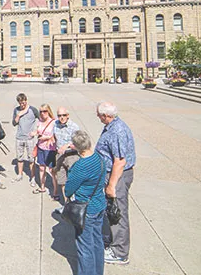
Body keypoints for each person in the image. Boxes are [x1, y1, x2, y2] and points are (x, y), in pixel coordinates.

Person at [95, 101, 136, 265]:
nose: (98, 117)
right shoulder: (113, 126)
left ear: (106, 115)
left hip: (117, 176)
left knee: (117, 212)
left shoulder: (117, 130)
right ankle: (112, 241)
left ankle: (119, 252)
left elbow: (119, 161)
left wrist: (111, 185)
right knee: (111, 211)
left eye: (99, 115)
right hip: (114, 174)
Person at [65, 130, 107, 275]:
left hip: (86, 210)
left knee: (85, 247)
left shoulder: (81, 166)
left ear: (77, 147)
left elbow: (69, 189)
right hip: (99, 205)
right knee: (97, 242)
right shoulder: (99, 158)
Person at [53, 107, 81, 205]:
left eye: (64, 115)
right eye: (59, 115)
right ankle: (66, 204)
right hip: (60, 155)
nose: (61, 117)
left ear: (68, 116)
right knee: (62, 180)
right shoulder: (55, 125)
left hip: (72, 156)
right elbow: (54, 137)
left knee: (74, 179)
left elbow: (79, 145)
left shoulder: (74, 127)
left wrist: (68, 146)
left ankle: (76, 204)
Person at [11, 93, 39, 186]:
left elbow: (42, 120)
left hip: (29, 138)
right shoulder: (16, 110)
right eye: (20, 103)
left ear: (26, 101)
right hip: (19, 137)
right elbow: (14, 123)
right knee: (20, 157)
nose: (22, 105)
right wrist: (18, 116)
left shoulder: (33, 110)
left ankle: (33, 177)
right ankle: (20, 174)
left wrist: (36, 132)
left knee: (31, 159)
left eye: (23, 103)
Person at [33, 104, 57, 197]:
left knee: (52, 171)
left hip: (50, 149)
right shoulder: (40, 121)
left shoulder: (54, 122)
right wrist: (34, 133)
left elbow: (55, 136)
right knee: (41, 168)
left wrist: (45, 138)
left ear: (49, 111)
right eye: (41, 111)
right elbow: (38, 131)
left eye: (45, 111)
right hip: (40, 148)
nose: (43, 113)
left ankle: (55, 192)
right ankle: (42, 187)